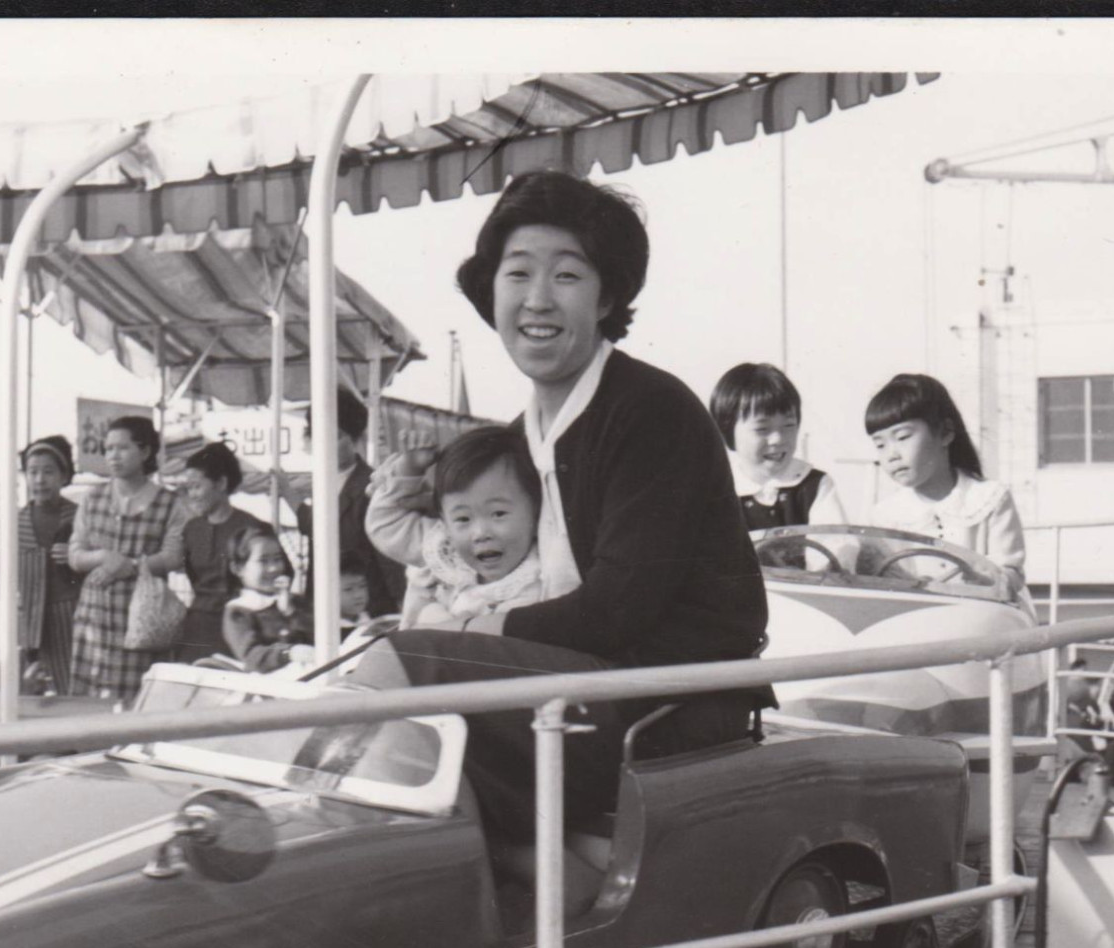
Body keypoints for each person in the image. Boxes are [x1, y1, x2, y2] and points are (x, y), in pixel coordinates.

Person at [352, 170, 769, 878]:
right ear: (492, 293)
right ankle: (517, 865)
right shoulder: (519, 436)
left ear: (607, 297)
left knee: (400, 666)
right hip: (584, 686)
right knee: (374, 654)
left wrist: (465, 636)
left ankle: (472, 875)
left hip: (669, 701)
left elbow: (618, 607)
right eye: (517, 273)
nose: (537, 298)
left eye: (567, 275)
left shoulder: (649, 409)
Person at [366, 425, 545, 628]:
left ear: (537, 510)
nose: (480, 533)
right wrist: (409, 468)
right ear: (444, 521)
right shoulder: (446, 552)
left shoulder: (539, 580)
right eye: (462, 519)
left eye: (498, 514)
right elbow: (385, 523)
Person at [67, 416, 188, 701]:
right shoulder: (92, 498)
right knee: (88, 705)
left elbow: (173, 556)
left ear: (145, 452)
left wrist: (132, 566)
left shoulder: (169, 503)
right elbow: (75, 554)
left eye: (122, 448)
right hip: (93, 618)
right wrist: (103, 557)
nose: (113, 456)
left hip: (142, 619)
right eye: (108, 449)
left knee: (137, 701)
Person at [865, 373, 1026, 583]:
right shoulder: (885, 515)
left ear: (945, 433)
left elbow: (1011, 574)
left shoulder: (989, 499)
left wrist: (980, 580)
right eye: (880, 445)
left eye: (903, 437)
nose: (892, 455)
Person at [0, 435, 83, 695]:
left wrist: (77, 559)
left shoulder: (82, 517)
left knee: (71, 691)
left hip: (72, 619)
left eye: (48, 472)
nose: (39, 480)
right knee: (24, 693)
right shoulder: (11, 522)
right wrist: (8, 600)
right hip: (25, 622)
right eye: (33, 472)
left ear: (64, 476)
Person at [294, 389, 407, 618]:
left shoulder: (372, 486)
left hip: (368, 610)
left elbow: (391, 559)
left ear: (356, 440)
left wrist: (402, 608)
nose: (324, 445)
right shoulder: (321, 484)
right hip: (322, 608)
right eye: (318, 436)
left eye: (335, 437)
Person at [710, 362, 849, 531]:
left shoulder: (815, 486)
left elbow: (836, 545)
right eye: (762, 429)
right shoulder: (718, 494)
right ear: (727, 430)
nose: (777, 439)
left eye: (788, 426)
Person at [174, 442, 272, 664]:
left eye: (197, 486)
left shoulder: (254, 527)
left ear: (221, 483)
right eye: (188, 488)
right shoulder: (191, 529)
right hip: (197, 628)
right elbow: (192, 577)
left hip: (240, 625)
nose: (192, 495)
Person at [221, 527, 316, 674]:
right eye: (263, 561)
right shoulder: (239, 611)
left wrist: (291, 611)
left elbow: (317, 636)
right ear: (238, 569)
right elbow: (252, 656)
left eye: (277, 559)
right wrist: (288, 653)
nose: (274, 568)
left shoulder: (294, 602)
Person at [338, 551, 373, 633]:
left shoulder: (369, 621)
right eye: (348, 589)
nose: (358, 595)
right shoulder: (327, 631)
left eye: (362, 586)